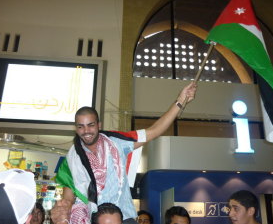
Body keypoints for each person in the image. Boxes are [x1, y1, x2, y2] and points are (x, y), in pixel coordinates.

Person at [50, 82, 197, 224]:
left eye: (91, 125)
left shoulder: (117, 142)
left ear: (99, 125)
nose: (86, 131)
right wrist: (61, 211)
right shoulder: (72, 159)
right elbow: (68, 198)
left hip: (124, 217)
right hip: (94, 219)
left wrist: (180, 101)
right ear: (76, 128)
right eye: (81, 127)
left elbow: (154, 131)